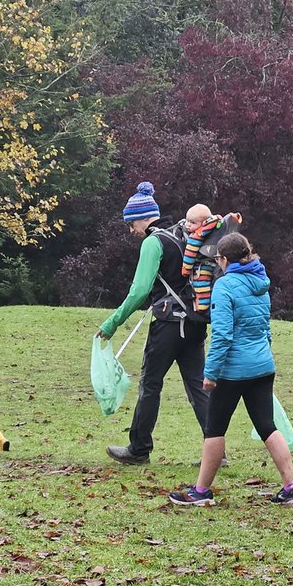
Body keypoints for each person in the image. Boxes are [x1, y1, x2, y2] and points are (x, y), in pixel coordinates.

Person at [168, 233, 293, 506]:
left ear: (223, 259)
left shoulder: (224, 286)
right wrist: (263, 353)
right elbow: (264, 327)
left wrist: (211, 372)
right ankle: (291, 487)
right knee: (267, 426)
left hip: (233, 371)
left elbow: (222, 334)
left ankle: (201, 492)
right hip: (263, 366)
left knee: (214, 428)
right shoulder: (261, 281)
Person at [97, 182, 211, 465]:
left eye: (130, 223)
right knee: (198, 387)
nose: (131, 230)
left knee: (150, 384)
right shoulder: (186, 236)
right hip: (195, 323)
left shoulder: (153, 242)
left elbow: (139, 291)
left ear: (143, 217)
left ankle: (139, 449)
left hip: (168, 326)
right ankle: (215, 452)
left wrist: (112, 324)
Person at [181, 204, 243, 313]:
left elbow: (190, 253)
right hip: (215, 263)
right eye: (187, 221)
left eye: (193, 223)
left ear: (203, 222)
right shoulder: (215, 225)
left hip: (202, 266)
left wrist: (186, 269)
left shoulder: (196, 235)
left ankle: (202, 306)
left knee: (201, 285)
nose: (188, 225)